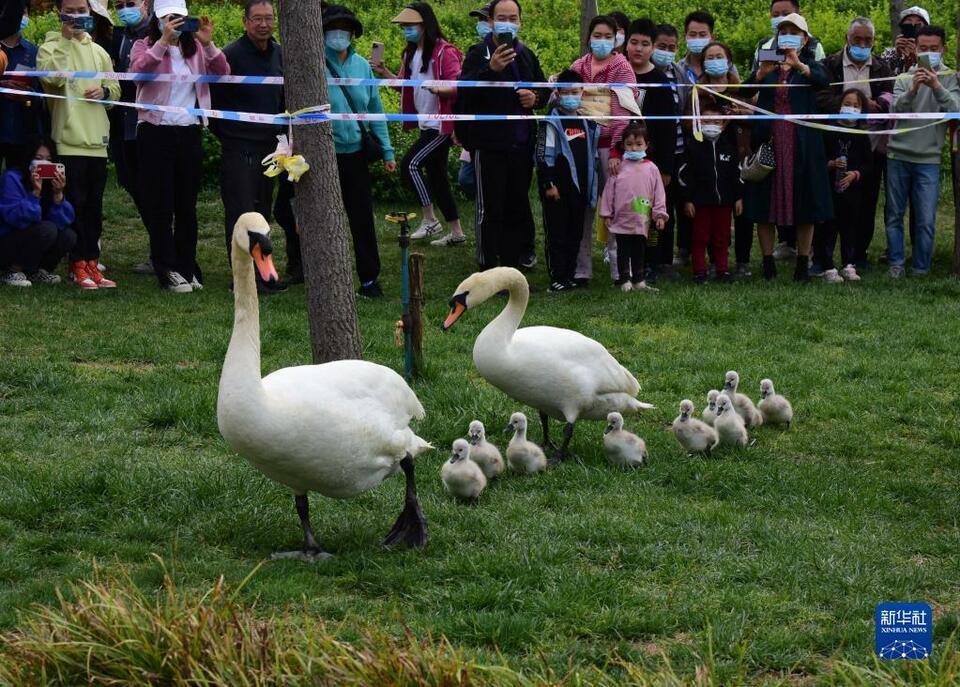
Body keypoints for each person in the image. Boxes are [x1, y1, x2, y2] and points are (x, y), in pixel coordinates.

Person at [130, 0, 227, 293]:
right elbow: (138, 72)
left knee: (187, 205)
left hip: (188, 131)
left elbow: (222, 71)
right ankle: (166, 268)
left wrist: (208, 45)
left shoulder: (194, 49)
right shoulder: (142, 45)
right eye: (168, 18)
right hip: (154, 131)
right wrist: (162, 42)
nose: (174, 23)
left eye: (179, 18)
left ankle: (187, 266)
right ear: (158, 21)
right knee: (161, 205)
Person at [211, 0, 300, 288]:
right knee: (241, 214)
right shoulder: (231, 55)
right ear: (245, 21)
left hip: (271, 149)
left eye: (268, 18)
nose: (263, 24)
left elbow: (285, 98)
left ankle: (263, 274)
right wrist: (230, 135)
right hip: (240, 149)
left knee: (263, 213)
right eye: (257, 19)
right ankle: (242, 278)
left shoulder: (280, 54)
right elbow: (213, 104)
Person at [456, 0, 548, 272]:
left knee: (516, 205)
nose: (508, 22)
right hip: (489, 145)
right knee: (490, 209)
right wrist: (491, 70)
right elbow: (464, 98)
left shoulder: (527, 54)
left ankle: (510, 269)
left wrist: (536, 98)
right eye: (501, 17)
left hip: (521, 145)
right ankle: (487, 267)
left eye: (513, 17)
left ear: (520, 21)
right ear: (491, 21)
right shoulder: (477, 53)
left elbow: (543, 91)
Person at [740, 13, 831, 283]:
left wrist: (800, 65)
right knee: (763, 202)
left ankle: (803, 262)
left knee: (806, 202)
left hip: (803, 145)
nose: (788, 36)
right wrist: (759, 74)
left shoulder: (812, 65)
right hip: (768, 143)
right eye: (784, 31)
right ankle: (767, 262)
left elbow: (822, 81)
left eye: (795, 32)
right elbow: (744, 92)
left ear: (805, 38)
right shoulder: (767, 64)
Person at [38, 0, 120, 289]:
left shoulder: (99, 52)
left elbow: (117, 90)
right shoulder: (49, 47)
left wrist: (105, 91)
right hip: (68, 142)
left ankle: (92, 262)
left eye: (81, 11)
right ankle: (76, 264)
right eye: (70, 11)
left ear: (91, 14)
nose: (76, 17)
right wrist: (65, 39)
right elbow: (52, 78)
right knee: (75, 205)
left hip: (98, 143)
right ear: (59, 14)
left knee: (94, 208)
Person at [373, 3, 464, 247]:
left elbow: (459, 84)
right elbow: (403, 85)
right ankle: (457, 233)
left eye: (410, 26)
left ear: (425, 25)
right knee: (438, 179)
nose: (406, 31)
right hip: (425, 124)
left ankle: (430, 219)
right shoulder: (409, 55)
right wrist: (385, 72)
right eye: (404, 27)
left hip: (441, 125)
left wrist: (440, 88)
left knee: (410, 165)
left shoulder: (446, 52)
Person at [324, 3, 396, 298]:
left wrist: (388, 151)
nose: (339, 35)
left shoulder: (362, 66)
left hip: (355, 154)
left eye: (345, 30)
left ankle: (369, 278)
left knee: (361, 217)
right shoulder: (311, 61)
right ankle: (324, 277)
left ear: (353, 34)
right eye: (332, 30)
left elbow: (374, 110)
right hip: (322, 155)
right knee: (324, 219)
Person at [816, 17, 892, 271]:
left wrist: (876, 105)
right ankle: (821, 259)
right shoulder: (828, 65)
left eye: (868, 40)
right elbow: (821, 97)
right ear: (846, 39)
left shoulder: (882, 67)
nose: (862, 44)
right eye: (857, 39)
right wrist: (851, 103)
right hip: (833, 144)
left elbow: (890, 95)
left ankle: (857, 256)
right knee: (828, 204)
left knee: (865, 204)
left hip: (869, 147)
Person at [885, 24, 960, 278]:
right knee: (894, 214)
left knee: (926, 220)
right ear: (916, 50)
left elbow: (955, 110)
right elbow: (894, 110)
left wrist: (937, 86)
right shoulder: (904, 78)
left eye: (934, 49)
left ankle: (920, 268)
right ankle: (895, 264)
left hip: (929, 159)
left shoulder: (951, 77)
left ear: (944, 49)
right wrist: (914, 88)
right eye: (924, 49)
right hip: (897, 155)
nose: (929, 53)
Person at [568, 14, 637, 286]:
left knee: (616, 210)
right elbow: (566, 98)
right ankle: (581, 270)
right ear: (588, 38)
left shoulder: (622, 67)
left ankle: (620, 272)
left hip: (612, 149)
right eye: (597, 36)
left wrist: (618, 151)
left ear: (616, 39)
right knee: (583, 208)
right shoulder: (578, 65)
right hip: (582, 147)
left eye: (608, 36)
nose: (602, 41)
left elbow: (623, 111)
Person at [535, 70, 599, 293]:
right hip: (557, 191)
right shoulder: (550, 122)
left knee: (575, 234)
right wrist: (548, 183)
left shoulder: (587, 123)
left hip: (579, 190)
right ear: (557, 94)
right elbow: (543, 155)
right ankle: (557, 277)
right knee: (557, 235)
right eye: (566, 92)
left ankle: (570, 275)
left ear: (582, 93)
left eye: (575, 92)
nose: (571, 96)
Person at [696, 40, 753, 276]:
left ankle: (742, 260)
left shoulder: (741, 91)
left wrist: (742, 113)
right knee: (711, 212)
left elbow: (755, 119)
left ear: (729, 61)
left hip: (739, 158)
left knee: (742, 211)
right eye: (710, 57)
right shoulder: (697, 93)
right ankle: (711, 261)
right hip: (709, 160)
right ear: (703, 64)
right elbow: (691, 125)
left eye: (719, 56)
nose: (715, 61)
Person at [108, 0, 152, 273]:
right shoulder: (116, 35)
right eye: (120, 4)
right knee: (130, 181)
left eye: (131, 3)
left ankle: (161, 249)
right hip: (121, 124)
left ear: (146, 3)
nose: (125, 8)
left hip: (148, 123)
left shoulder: (156, 34)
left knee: (152, 188)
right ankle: (157, 243)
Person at [678, 100, 742, 283]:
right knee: (700, 238)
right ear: (699, 122)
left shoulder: (729, 148)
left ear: (723, 125)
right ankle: (700, 271)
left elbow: (736, 173)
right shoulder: (692, 146)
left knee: (722, 238)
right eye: (707, 121)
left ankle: (722, 270)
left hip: (724, 203)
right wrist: (688, 199)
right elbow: (684, 175)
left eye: (716, 121)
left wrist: (738, 197)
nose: (711, 125)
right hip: (700, 203)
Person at [812, 89, 872, 284]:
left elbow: (868, 163)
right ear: (839, 105)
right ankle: (827, 265)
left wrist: (855, 175)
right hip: (830, 189)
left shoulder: (862, 135)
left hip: (853, 191)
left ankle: (849, 264)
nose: (851, 108)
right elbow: (818, 159)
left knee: (850, 227)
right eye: (848, 103)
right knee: (828, 227)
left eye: (856, 106)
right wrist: (831, 164)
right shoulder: (828, 130)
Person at [599, 123, 667, 292]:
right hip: (621, 219)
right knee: (623, 250)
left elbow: (658, 193)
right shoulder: (618, 167)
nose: (634, 148)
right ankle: (624, 280)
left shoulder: (652, 168)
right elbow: (609, 192)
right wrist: (607, 213)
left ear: (646, 145)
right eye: (629, 144)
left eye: (638, 144)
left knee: (639, 251)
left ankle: (639, 280)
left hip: (641, 219)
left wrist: (659, 215)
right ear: (623, 145)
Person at [0, 138, 77, 287]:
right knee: (46, 229)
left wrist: (58, 195)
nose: (44, 164)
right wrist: (34, 194)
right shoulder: (12, 178)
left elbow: (63, 223)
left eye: (49, 160)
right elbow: (14, 219)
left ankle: (39, 271)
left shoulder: (50, 183)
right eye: (38, 159)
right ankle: (12, 270)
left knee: (68, 235)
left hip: (34, 236)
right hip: (7, 240)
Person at [650, 22, 691, 281]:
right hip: (654, 155)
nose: (667, 51)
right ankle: (655, 259)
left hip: (679, 152)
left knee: (675, 206)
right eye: (661, 46)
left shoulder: (679, 73)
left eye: (672, 47)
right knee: (656, 210)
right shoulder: (648, 74)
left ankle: (671, 258)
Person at [0, 8, 43, 172]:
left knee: (18, 186)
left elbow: (42, 96)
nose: (19, 16)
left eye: (24, 12)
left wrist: (28, 95)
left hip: (22, 132)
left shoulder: (34, 52)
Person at [880, 6, 930, 76]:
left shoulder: (931, 53)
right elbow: (882, 75)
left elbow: (932, 75)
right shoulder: (888, 53)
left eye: (918, 23)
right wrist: (897, 54)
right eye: (909, 21)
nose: (913, 24)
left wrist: (918, 57)